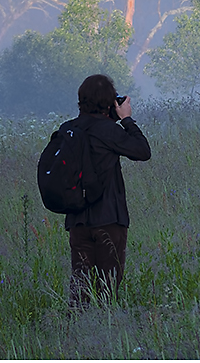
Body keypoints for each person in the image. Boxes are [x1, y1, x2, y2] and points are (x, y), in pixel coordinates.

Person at [66, 73, 151, 307]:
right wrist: (126, 119)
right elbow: (143, 151)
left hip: (77, 220)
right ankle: (105, 326)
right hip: (109, 219)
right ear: (109, 102)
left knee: (80, 288)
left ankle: (77, 327)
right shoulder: (108, 130)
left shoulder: (69, 129)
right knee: (108, 288)